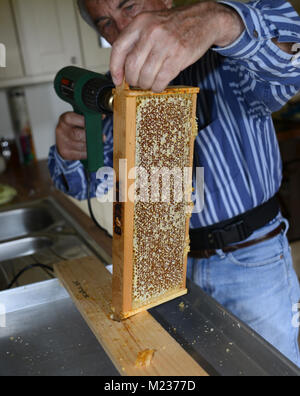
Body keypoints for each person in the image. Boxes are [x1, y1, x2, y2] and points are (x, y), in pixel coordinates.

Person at [49, 0, 300, 367]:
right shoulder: (119, 93)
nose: (121, 28)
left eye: (129, 5)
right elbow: (84, 185)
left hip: (253, 259)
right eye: (106, 23)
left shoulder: (230, 60)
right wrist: (69, 152)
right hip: (166, 269)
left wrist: (219, 22)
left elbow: (288, 67)